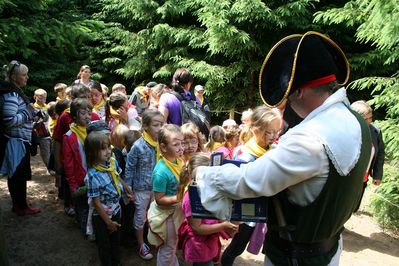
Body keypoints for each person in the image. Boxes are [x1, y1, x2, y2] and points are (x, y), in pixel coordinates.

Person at [195, 31, 373, 266]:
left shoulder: (308, 138)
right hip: (329, 251)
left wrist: (204, 174)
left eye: (288, 96)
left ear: (298, 91)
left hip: (294, 258)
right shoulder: (357, 122)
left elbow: (248, 180)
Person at [221, 105, 281, 266]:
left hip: (260, 209)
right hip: (247, 213)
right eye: (269, 132)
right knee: (236, 247)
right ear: (256, 130)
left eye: (277, 131)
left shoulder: (271, 150)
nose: (274, 136)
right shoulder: (246, 157)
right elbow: (237, 188)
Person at [177, 153, 238, 266]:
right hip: (200, 246)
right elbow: (197, 228)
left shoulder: (206, 191)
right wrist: (223, 226)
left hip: (208, 243)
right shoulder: (191, 197)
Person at [84, 131, 133, 266]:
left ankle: (116, 262)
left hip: (116, 209)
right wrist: (108, 222)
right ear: (92, 153)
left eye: (108, 147)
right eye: (102, 149)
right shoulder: (93, 175)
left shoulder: (112, 162)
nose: (107, 151)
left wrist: (127, 188)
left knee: (116, 240)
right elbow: (97, 204)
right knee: (104, 245)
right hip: (101, 217)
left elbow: (117, 176)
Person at [0, 60, 41, 216]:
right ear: (14, 77)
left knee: (18, 173)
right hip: (15, 141)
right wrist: (27, 114)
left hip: (19, 140)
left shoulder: (14, 91)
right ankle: (20, 206)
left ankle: (20, 202)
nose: (27, 77)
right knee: (17, 174)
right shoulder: (11, 94)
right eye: (24, 75)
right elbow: (9, 121)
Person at [125, 109, 164, 260]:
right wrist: (129, 190)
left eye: (162, 124)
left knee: (156, 215)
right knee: (140, 216)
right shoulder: (138, 146)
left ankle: (153, 239)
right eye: (156, 125)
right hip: (141, 189)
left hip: (157, 188)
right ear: (146, 126)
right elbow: (129, 168)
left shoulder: (162, 144)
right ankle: (140, 243)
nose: (160, 128)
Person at [147, 124, 185, 266]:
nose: (181, 148)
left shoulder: (178, 161)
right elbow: (159, 199)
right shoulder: (161, 172)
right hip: (167, 216)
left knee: (172, 246)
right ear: (163, 147)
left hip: (175, 212)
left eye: (182, 143)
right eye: (176, 144)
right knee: (167, 249)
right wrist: (181, 197)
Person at [63, 98, 92, 234]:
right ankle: (84, 227)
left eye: (89, 112)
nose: (87, 116)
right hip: (80, 179)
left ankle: (91, 228)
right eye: (83, 113)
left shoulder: (93, 131)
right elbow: (68, 164)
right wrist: (73, 185)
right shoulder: (69, 136)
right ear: (74, 116)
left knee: (93, 204)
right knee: (82, 205)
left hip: (94, 176)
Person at [351, 100, 385, 211]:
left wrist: (377, 175)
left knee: (354, 204)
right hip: (348, 176)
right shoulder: (348, 130)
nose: (370, 121)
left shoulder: (376, 131)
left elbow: (379, 154)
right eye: (366, 119)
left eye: (371, 118)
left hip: (363, 177)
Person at [32, 88, 51, 168]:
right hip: (41, 135)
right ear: (35, 97)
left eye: (44, 98)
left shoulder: (48, 107)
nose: (42, 99)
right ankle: (50, 169)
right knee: (46, 153)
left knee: (53, 152)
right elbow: (31, 123)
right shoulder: (32, 108)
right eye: (40, 97)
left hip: (50, 133)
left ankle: (53, 168)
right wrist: (37, 122)